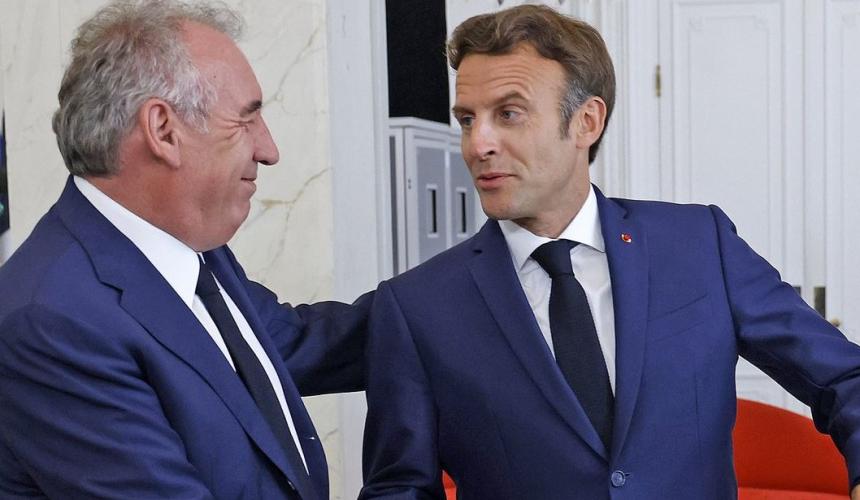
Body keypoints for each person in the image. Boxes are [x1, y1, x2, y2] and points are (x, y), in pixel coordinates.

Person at [360, 5, 860, 499]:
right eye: (468, 120)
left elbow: (844, 377)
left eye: (508, 114)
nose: (478, 145)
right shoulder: (417, 306)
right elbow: (399, 487)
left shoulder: (699, 245)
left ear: (586, 121)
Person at [0, 1, 368, 498]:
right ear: (163, 130)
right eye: (246, 120)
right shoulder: (52, 323)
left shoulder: (185, 248)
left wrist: (461, 300)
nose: (269, 150)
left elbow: (293, 344)